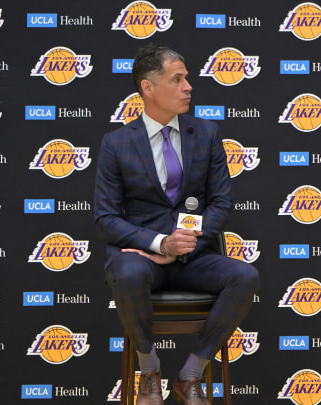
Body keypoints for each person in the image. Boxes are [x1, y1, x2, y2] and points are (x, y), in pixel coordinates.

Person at [95, 44, 259, 405]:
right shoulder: (116, 144)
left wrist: (186, 242)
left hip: (194, 255)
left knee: (245, 276)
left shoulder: (207, 133)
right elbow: (106, 218)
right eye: (178, 79)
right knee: (129, 272)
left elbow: (221, 202)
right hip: (142, 257)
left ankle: (190, 374)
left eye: (187, 78)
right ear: (148, 88)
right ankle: (149, 368)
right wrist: (159, 244)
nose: (189, 87)